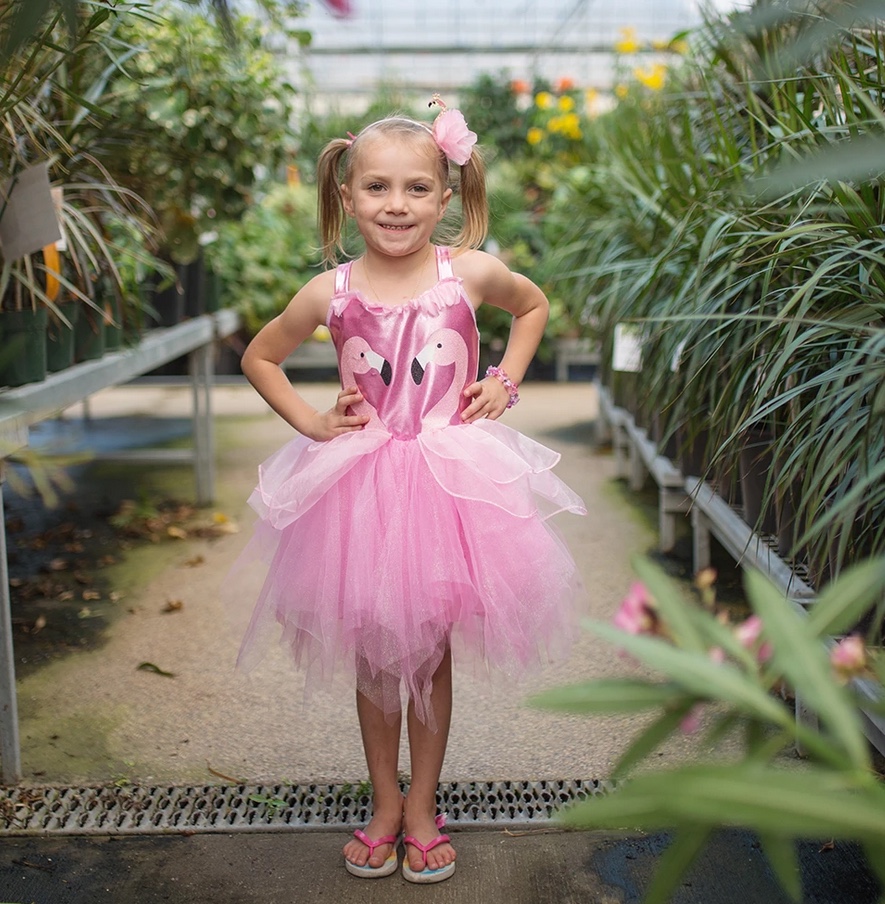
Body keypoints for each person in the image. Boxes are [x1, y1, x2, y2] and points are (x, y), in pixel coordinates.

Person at [234, 96, 586, 884]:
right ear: (347, 195)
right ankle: (384, 802)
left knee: (426, 657)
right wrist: (312, 423)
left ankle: (422, 805)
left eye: (417, 188)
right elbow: (262, 357)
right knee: (371, 656)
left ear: (447, 194)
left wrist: (504, 379)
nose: (397, 205)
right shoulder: (330, 292)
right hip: (359, 496)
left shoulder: (469, 275)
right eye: (378, 189)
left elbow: (531, 306)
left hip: (448, 487)